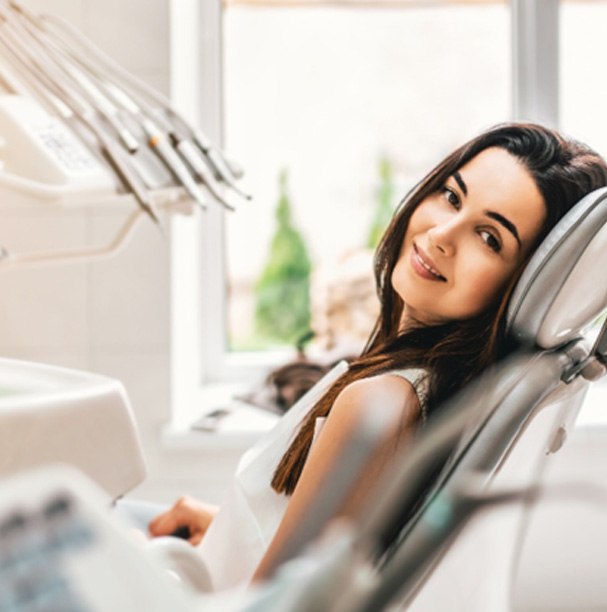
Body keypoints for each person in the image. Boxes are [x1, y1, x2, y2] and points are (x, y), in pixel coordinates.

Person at [148, 123, 607, 591]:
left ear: (523, 283)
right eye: (451, 196)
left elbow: (274, 607)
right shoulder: (433, 389)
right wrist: (224, 531)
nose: (442, 234)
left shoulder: (380, 404)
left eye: (489, 238)